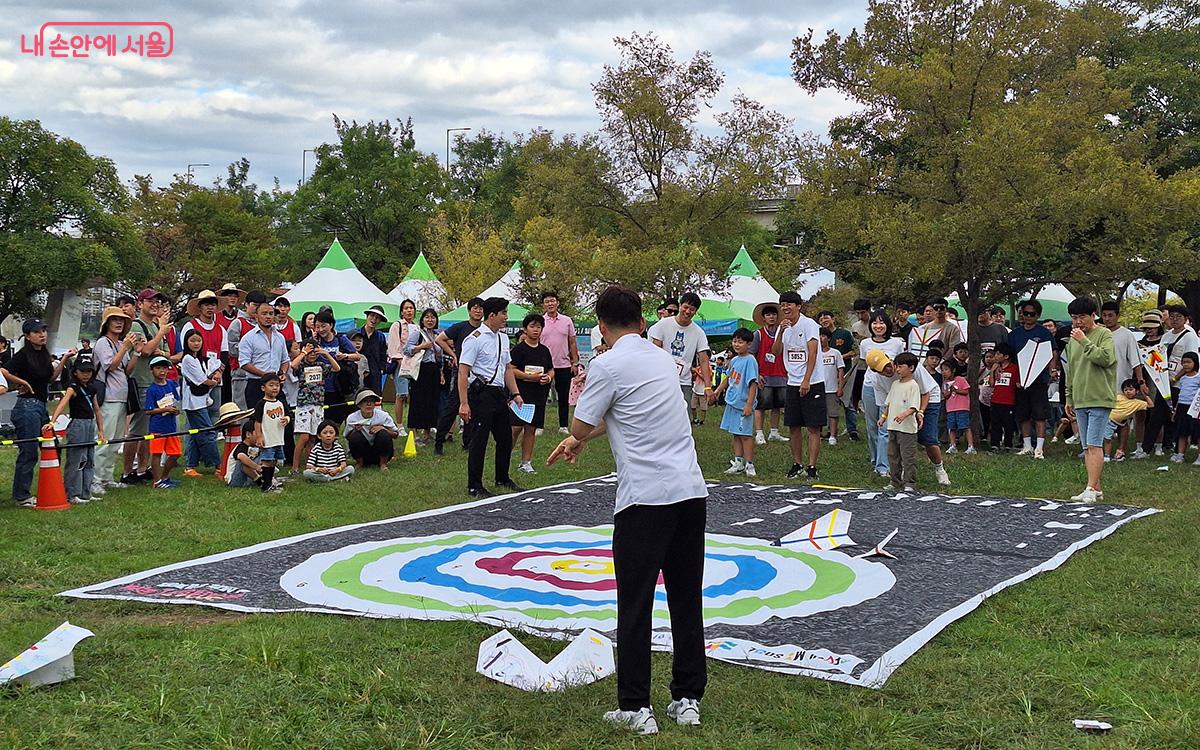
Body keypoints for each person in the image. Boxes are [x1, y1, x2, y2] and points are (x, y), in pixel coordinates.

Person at [548, 285, 708, 736]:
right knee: (685, 597)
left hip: (645, 500)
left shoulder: (607, 364)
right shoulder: (660, 357)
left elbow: (583, 419)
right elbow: (630, 414)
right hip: (690, 493)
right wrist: (583, 438)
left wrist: (577, 434)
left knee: (635, 603)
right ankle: (687, 697)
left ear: (600, 324)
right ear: (642, 322)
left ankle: (637, 706)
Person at [458, 297, 524, 497]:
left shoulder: (503, 338)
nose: (506, 317)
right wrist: (463, 404)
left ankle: (502, 477)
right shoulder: (475, 338)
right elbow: (463, 372)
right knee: (479, 440)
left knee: (505, 438)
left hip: (498, 394)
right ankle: (474, 485)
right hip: (481, 394)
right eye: (503, 313)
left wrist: (516, 393)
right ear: (492, 315)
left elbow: (507, 369)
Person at [3, 320, 69, 505]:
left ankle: (51, 485)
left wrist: (64, 359)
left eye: (44, 331)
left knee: (53, 447)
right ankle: (21, 495)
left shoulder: (44, 355)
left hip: (40, 405)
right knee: (29, 451)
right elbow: (3, 370)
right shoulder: (24, 355)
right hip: (26, 406)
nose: (42, 335)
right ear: (27, 336)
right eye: (37, 332)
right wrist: (22, 383)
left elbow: (50, 378)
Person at [1064, 297, 1117, 502]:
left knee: (1094, 445)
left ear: (1093, 315)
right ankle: (1096, 487)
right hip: (1080, 398)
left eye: (1082, 317)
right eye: (1074, 318)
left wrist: (1084, 341)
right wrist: (1069, 397)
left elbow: (1105, 359)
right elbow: (1070, 370)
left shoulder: (1103, 334)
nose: (1078, 322)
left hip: (1099, 397)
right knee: (1087, 446)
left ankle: (1090, 489)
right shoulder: (1072, 340)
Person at [773, 291, 824, 480]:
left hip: (813, 381)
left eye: (789, 304)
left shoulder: (809, 324)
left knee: (813, 426)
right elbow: (775, 352)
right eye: (783, 304)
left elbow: (812, 352)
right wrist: (780, 332)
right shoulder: (783, 327)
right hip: (792, 382)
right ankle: (797, 463)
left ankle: (812, 466)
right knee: (793, 425)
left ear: (798, 306)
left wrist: (807, 379)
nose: (785, 308)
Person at [128, 288, 175, 484]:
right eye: (150, 301)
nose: (155, 304)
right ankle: (127, 471)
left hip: (155, 382)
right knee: (137, 430)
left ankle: (142, 468)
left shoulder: (156, 327)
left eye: (158, 301)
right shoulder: (137, 326)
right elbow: (146, 351)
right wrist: (160, 336)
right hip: (141, 381)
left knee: (149, 432)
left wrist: (157, 345)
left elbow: (166, 354)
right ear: (140, 304)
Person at [45, 354, 104, 504]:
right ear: (75, 372)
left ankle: (86, 492)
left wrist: (101, 431)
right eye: (82, 371)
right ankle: (72, 493)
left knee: (89, 459)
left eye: (89, 371)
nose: (86, 374)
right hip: (78, 424)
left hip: (90, 424)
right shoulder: (73, 387)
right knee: (77, 459)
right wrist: (53, 421)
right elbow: (62, 404)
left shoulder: (92, 388)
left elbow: (97, 410)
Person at [93, 306, 139, 489]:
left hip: (121, 395)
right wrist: (126, 347)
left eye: (122, 320)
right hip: (108, 397)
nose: (119, 323)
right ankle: (96, 479)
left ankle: (107, 477)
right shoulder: (103, 343)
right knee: (104, 439)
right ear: (106, 323)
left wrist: (136, 352)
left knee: (116, 440)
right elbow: (110, 366)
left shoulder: (120, 344)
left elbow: (126, 370)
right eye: (115, 320)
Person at [1007, 299, 1057, 459]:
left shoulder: (1044, 333)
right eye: (1025, 313)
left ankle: (1039, 448)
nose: (1028, 317)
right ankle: (1027, 445)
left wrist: (1052, 369)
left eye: (1031, 314)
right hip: (1020, 381)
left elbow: (1052, 352)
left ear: (1038, 315)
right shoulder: (1014, 334)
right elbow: (1010, 357)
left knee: (1040, 414)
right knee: (1023, 414)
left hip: (1039, 380)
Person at [434, 297, 485, 455]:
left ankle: (468, 443)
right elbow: (439, 339)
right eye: (474, 308)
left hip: (478, 375)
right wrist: (454, 355)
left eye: (480, 308)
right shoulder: (460, 327)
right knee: (452, 408)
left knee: (474, 409)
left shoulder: (485, 329)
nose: (477, 311)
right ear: (469, 310)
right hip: (462, 372)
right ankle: (439, 442)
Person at [859, 311, 906, 476]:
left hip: (891, 389)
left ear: (887, 325)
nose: (878, 326)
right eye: (874, 323)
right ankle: (876, 459)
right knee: (872, 426)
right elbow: (867, 365)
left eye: (882, 323)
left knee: (885, 427)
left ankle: (883, 466)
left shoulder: (896, 343)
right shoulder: (865, 344)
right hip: (870, 388)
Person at [510, 313, 554, 475]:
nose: (536, 330)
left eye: (538, 327)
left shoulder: (544, 350)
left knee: (531, 429)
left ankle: (526, 462)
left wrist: (548, 377)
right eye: (532, 326)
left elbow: (551, 369)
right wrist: (529, 377)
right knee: (515, 428)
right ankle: (504, 457)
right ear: (525, 329)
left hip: (538, 395)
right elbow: (511, 370)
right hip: (520, 394)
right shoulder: (519, 350)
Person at [648, 292, 712, 404]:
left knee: (683, 416)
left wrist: (707, 387)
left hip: (683, 382)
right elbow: (655, 352)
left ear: (695, 311)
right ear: (680, 305)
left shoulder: (699, 333)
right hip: (662, 379)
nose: (687, 312)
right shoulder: (663, 325)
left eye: (692, 309)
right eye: (685, 307)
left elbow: (703, 359)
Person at [289, 339, 341, 475]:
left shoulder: (321, 365)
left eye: (314, 351)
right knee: (304, 437)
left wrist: (326, 354)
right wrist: (303, 353)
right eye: (310, 352)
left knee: (313, 437)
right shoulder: (301, 365)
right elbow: (292, 366)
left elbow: (337, 368)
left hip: (318, 405)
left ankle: (309, 465)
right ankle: (295, 467)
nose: (312, 354)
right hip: (304, 405)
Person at [712, 327, 759, 477]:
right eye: (734, 341)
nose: (736, 344)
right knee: (735, 434)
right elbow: (728, 378)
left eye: (740, 342)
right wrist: (718, 390)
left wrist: (749, 404)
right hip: (732, 402)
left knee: (745, 435)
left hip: (743, 403)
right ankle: (738, 462)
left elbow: (753, 384)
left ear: (749, 344)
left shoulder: (750, 361)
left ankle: (749, 464)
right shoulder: (734, 360)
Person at [179, 330, 224, 477]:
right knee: (208, 432)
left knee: (194, 434)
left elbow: (218, 364)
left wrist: (217, 372)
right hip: (194, 402)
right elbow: (202, 380)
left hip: (201, 401)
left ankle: (190, 466)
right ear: (186, 342)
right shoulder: (187, 359)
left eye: (198, 340)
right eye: (192, 341)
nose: (196, 343)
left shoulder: (199, 359)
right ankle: (217, 465)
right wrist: (213, 380)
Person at [879, 352, 923, 491]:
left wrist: (905, 414)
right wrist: (883, 417)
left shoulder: (913, 385)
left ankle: (909, 482)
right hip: (893, 426)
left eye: (901, 366)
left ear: (911, 368)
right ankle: (895, 481)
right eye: (896, 366)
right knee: (893, 455)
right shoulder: (895, 384)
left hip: (907, 429)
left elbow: (914, 406)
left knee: (908, 456)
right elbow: (889, 404)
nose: (897, 369)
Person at [539, 292, 580, 436]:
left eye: (552, 301)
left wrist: (575, 362)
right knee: (541, 397)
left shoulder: (567, 321)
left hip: (564, 364)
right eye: (547, 301)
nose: (550, 304)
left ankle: (563, 425)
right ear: (543, 304)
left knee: (563, 397)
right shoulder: (540, 322)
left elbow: (572, 342)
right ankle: (539, 426)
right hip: (544, 365)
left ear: (557, 303)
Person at [237, 301, 290, 410]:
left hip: (276, 383)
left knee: (284, 419)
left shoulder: (280, 337)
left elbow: (285, 360)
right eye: (264, 313)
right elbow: (244, 363)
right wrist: (264, 375)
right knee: (258, 421)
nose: (268, 317)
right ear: (256, 316)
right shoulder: (248, 338)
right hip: (256, 384)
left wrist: (283, 373)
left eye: (271, 314)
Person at [1134, 310, 1172, 458]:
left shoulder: (1165, 341)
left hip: (1158, 380)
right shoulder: (1139, 343)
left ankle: (1158, 445)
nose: (1149, 330)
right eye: (1146, 327)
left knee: (1157, 414)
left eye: (1152, 327)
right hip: (1142, 380)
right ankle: (1139, 445)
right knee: (1140, 414)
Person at [312, 310, 361, 425]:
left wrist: (345, 356)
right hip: (319, 385)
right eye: (317, 327)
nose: (320, 330)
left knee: (336, 417)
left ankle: (334, 439)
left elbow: (357, 356)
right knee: (320, 419)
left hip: (338, 384)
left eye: (323, 326)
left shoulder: (340, 339)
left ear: (331, 325)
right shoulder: (315, 341)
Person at [748, 303, 788, 445]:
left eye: (774, 314)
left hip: (781, 374)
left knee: (777, 404)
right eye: (768, 315)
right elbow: (751, 355)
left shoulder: (782, 333)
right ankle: (759, 433)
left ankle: (774, 432)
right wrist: (756, 374)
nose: (772, 317)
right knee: (761, 405)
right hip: (764, 375)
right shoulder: (758, 334)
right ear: (763, 318)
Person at [818, 310, 858, 440]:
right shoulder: (818, 337)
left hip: (844, 372)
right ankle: (829, 432)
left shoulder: (844, 334)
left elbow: (854, 351)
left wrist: (838, 358)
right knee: (826, 406)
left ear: (833, 319)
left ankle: (852, 430)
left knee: (848, 403)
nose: (824, 321)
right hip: (826, 377)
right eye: (821, 319)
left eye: (826, 318)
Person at [143, 356, 182, 489]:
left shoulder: (171, 384)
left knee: (176, 453)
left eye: (165, 368)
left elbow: (177, 401)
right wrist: (164, 409)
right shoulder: (152, 389)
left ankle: (165, 476)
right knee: (157, 453)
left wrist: (176, 410)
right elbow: (148, 410)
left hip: (171, 426)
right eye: (158, 368)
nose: (162, 371)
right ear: (151, 370)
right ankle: (157, 481)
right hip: (158, 426)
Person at [226, 290, 267, 408]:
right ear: (246, 304)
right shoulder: (238, 323)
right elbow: (231, 349)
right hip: (241, 375)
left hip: (262, 375)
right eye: (254, 305)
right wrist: (252, 349)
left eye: (260, 306)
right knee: (242, 411)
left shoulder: (266, 326)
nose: (257, 308)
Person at [250, 374, 290, 490]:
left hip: (278, 438)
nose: (274, 388)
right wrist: (259, 437)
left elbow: (288, 415)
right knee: (267, 461)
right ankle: (266, 485)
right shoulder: (261, 404)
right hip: (267, 438)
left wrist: (286, 419)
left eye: (277, 385)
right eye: (271, 385)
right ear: (263, 388)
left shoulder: (280, 403)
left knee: (274, 461)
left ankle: (270, 481)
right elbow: (257, 422)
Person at [344, 390, 399, 470]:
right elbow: (347, 437)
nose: (369, 404)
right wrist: (355, 430)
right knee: (355, 437)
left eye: (371, 401)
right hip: (364, 452)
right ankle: (360, 462)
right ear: (359, 405)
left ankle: (383, 464)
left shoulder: (383, 415)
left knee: (383, 434)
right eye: (365, 402)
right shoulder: (352, 418)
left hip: (379, 450)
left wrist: (383, 428)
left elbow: (396, 434)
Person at [387, 299, 417, 433]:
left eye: (411, 308)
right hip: (401, 364)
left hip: (415, 364)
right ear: (401, 311)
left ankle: (413, 423)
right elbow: (393, 347)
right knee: (401, 395)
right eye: (406, 308)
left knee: (414, 395)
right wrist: (402, 363)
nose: (409, 310)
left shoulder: (417, 327)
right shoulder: (397, 325)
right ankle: (399, 425)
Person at [1104, 379, 1152, 462]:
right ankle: (1107, 456)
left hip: (1120, 422)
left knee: (1109, 438)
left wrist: (1145, 395)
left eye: (1131, 389)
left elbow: (1151, 405)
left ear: (1137, 391)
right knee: (1107, 439)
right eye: (1125, 390)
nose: (1128, 392)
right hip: (1109, 420)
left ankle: (1117, 453)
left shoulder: (1138, 403)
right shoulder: (1119, 396)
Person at [1170, 352, 1200, 463]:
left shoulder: (1198, 378)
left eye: (1188, 362)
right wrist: (1175, 411)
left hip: (1195, 408)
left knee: (1197, 433)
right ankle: (1180, 455)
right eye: (1183, 362)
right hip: (1182, 407)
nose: (1186, 365)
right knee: (1182, 432)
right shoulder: (1182, 379)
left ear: (1195, 363)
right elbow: (1180, 396)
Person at [989, 342, 1019, 451]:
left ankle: (1008, 444)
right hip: (996, 400)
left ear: (1006, 356)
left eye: (998, 354)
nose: (995, 357)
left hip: (1009, 401)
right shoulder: (996, 368)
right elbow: (992, 384)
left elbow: (1017, 383)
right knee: (995, 424)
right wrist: (992, 371)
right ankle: (995, 444)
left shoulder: (1014, 368)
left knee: (1008, 424)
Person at [940, 360, 975, 454]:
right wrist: (949, 391)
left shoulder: (960, 379)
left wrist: (956, 389)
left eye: (946, 369)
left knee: (965, 426)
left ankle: (971, 446)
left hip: (962, 407)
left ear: (953, 370)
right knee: (951, 427)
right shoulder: (945, 383)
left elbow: (966, 391)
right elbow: (946, 396)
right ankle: (952, 445)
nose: (944, 372)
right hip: (950, 408)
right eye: (942, 370)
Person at [818, 328, 845, 445]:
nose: (820, 338)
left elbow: (840, 370)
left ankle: (833, 435)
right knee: (817, 413)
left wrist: (840, 387)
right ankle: (818, 434)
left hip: (831, 388)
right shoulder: (814, 353)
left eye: (823, 336)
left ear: (828, 338)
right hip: (817, 388)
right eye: (818, 336)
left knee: (833, 413)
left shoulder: (835, 353)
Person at [354, 305, 389, 393]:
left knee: (375, 400)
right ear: (367, 316)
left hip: (375, 375)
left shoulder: (380, 336)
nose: (374, 319)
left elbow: (383, 356)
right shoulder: (356, 334)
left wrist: (381, 369)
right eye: (372, 316)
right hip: (359, 373)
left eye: (377, 318)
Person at [227, 420, 269, 490]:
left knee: (263, 454)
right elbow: (241, 456)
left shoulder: (256, 447)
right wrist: (257, 467)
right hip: (236, 480)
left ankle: (266, 479)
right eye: (258, 433)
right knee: (243, 461)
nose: (261, 436)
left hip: (249, 479)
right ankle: (260, 481)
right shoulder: (241, 447)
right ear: (248, 434)